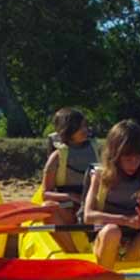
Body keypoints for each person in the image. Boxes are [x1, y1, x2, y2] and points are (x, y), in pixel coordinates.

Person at [83, 119, 140, 270]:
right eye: (127, 159)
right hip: (106, 238)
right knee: (112, 231)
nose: (133, 164)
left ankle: (130, 276)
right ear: (115, 156)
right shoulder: (99, 176)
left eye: (137, 158)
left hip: (133, 242)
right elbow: (88, 216)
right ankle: (104, 278)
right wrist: (125, 220)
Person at [42, 107, 97, 252]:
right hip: (69, 205)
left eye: (86, 126)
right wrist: (70, 197)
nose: (85, 130)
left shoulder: (96, 151)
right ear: (69, 130)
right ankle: (72, 252)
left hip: (90, 205)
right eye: (81, 127)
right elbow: (45, 193)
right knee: (47, 209)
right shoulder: (57, 157)